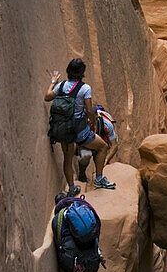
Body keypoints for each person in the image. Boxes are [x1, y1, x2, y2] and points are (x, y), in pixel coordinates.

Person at [45, 58, 116, 191]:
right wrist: (93, 125)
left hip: (63, 129)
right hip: (79, 130)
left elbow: (47, 96)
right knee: (102, 147)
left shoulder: (61, 86)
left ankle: (72, 188)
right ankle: (99, 179)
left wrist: (53, 82)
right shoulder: (85, 88)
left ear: (68, 71)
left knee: (67, 158)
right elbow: (89, 110)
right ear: (82, 73)